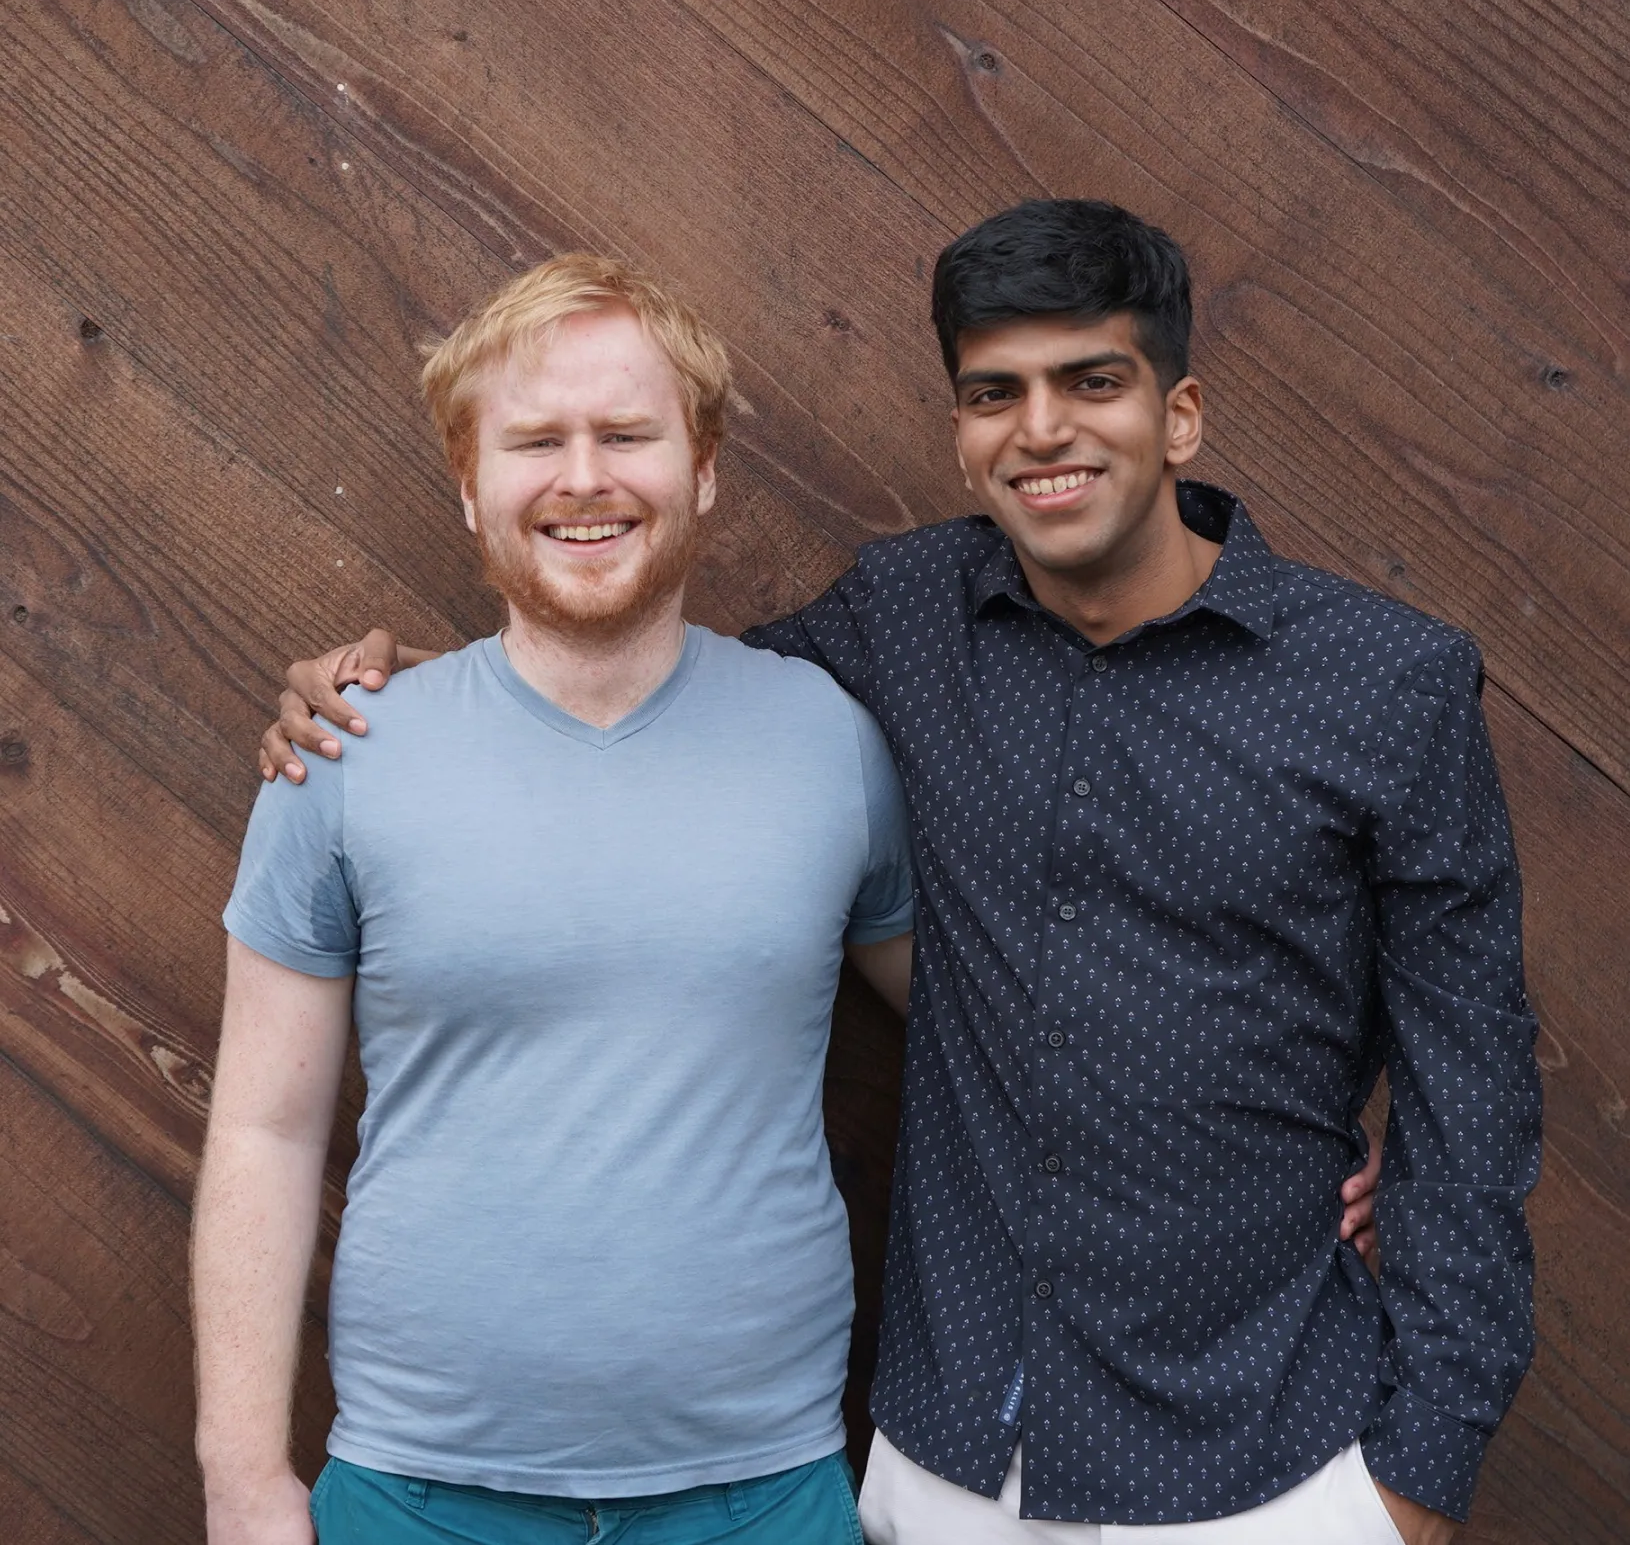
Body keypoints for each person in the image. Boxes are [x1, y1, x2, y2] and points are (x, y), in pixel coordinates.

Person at [262, 205, 1464, 1543]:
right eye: (995, 392)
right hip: (945, 1465)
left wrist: (1412, 1478)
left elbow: (1477, 1090)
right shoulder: (901, 619)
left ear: (1178, 415)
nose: (1043, 428)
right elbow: (627, 676)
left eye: (1093, 382)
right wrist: (408, 705)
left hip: (1260, 1460)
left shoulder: (1381, 680)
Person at [193, 253, 922, 1545]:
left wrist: (1278, 1139)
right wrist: (244, 1479)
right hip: (419, 1496)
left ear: (699, 470)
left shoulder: (830, 742)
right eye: (535, 440)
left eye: (626, 433)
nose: (583, 475)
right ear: (470, 487)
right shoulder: (343, 760)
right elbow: (264, 1127)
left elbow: (992, 1028)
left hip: (760, 1495)